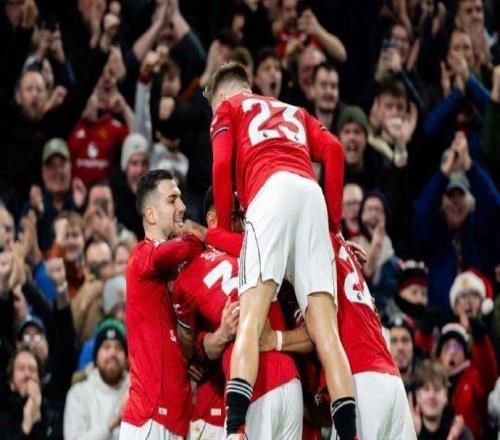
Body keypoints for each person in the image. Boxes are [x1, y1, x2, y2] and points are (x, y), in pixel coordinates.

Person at [206, 62, 356, 439]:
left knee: (251, 318)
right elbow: (335, 151)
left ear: (221, 95)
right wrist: (332, 225)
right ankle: (350, 434)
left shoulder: (227, 108)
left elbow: (221, 164)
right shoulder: (294, 110)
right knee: (326, 333)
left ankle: (235, 429)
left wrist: (223, 226)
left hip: (268, 193)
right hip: (310, 194)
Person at [173, 188, 303, 440]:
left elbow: (187, 345)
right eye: (234, 217)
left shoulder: (187, 277)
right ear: (211, 218)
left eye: (242, 217)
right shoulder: (256, 252)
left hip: (251, 389)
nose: (240, 224)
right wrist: (218, 336)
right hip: (288, 381)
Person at [119, 169, 202, 440]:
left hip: (177, 420)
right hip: (149, 418)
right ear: (151, 214)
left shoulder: (177, 273)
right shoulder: (141, 255)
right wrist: (196, 234)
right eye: (172, 200)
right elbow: (185, 247)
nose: (183, 206)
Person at [64, 319, 129, 440]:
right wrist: (112, 423)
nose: (113, 353)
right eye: (106, 347)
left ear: (126, 358)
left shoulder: (136, 392)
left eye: (119, 347)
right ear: (95, 356)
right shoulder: (78, 393)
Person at [436, 322, 497, 439]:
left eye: (458, 347)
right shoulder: (432, 380)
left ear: (465, 353)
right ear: (440, 354)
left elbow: (488, 376)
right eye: (448, 346)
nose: (452, 352)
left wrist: (481, 343)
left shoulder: (473, 378)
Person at [0, 348, 62, 440]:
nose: (27, 374)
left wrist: (36, 414)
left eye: (32, 369)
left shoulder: (53, 417)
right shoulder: (3, 418)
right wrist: (26, 426)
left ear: (40, 382)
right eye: (21, 369)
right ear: (12, 383)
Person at [410, 360, 474, 440]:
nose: (432, 396)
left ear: (446, 395)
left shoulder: (460, 433)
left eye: (437, 389)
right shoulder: (407, 431)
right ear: (418, 396)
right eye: (426, 389)